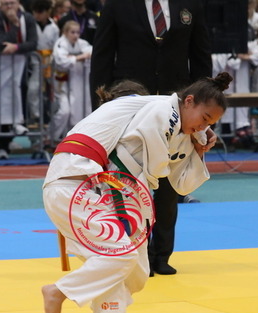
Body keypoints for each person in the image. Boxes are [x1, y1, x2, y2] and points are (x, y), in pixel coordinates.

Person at [41, 73, 230, 313]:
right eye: (204, 119)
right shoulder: (157, 108)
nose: (203, 127)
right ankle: (61, 292)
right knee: (120, 255)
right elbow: (158, 163)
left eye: (210, 123)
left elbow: (182, 183)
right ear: (189, 101)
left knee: (135, 271)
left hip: (105, 190)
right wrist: (196, 135)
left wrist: (198, 143)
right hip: (74, 181)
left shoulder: (172, 122)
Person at [90, 0, 212, 276]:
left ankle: (162, 254)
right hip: (130, 106)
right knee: (131, 183)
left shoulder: (190, 5)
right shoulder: (117, 5)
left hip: (179, 107)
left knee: (169, 182)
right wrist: (99, 112)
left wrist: (203, 113)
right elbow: (102, 59)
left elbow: (201, 60)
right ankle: (137, 252)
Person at [0, 0, 37, 159]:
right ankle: (2, 145)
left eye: (12, 3)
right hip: (0, 69)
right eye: (5, 4)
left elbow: (33, 43)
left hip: (23, 67)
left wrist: (16, 47)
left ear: (18, 3)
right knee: (1, 105)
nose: (9, 7)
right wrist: (15, 26)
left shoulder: (27, 18)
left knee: (22, 96)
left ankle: (19, 125)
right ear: (0, 5)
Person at [48, 20, 91, 144]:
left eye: (78, 32)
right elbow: (61, 60)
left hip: (77, 84)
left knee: (80, 110)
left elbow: (91, 51)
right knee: (64, 112)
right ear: (65, 32)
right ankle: (51, 138)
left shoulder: (82, 43)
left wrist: (74, 57)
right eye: (72, 32)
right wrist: (79, 57)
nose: (75, 35)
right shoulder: (60, 43)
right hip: (60, 86)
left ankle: (72, 139)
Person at [29, 0, 59, 124]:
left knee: (53, 91)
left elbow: (56, 46)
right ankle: (35, 115)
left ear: (47, 12)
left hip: (50, 62)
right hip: (35, 61)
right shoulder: (31, 25)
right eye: (35, 12)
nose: (37, 15)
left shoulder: (54, 27)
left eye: (40, 12)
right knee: (33, 89)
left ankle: (53, 115)